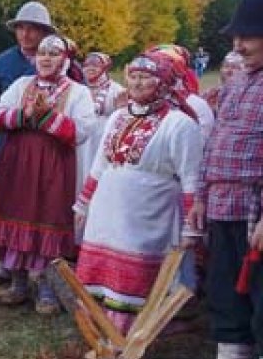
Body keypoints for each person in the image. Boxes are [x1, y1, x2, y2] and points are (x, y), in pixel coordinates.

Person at [173, 0, 263, 359]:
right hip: (224, 204)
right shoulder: (240, 82)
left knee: (262, 298)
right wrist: (203, 197)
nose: (239, 46)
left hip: (256, 210)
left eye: (249, 37)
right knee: (226, 291)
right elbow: (218, 142)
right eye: (238, 37)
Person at [74, 53, 203, 335]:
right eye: (133, 75)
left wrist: (190, 230)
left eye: (146, 77)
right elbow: (100, 163)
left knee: (138, 277)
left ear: (165, 83)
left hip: (149, 215)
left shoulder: (180, 124)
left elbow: (192, 179)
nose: (137, 82)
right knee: (103, 270)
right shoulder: (119, 116)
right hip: (107, 213)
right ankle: (101, 330)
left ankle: (133, 336)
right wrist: (83, 204)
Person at [0, 34, 96, 314]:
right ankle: (19, 284)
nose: (45, 58)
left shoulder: (78, 92)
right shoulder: (22, 84)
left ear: (65, 59)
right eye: (41, 53)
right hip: (18, 163)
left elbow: (83, 130)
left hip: (54, 166)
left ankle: (47, 290)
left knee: (48, 217)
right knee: (17, 213)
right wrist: (24, 115)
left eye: (53, 53)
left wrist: (47, 117)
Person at [0, 1, 57, 286]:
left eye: (33, 29)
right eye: (21, 28)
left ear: (44, 32)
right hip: (9, 144)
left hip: (48, 148)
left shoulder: (63, 62)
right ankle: (6, 264)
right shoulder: (2, 63)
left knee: (42, 207)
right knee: (6, 203)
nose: (25, 34)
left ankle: (43, 273)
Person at [76, 52, 126, 196]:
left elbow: (123, 117)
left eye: (95, 65)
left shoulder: (117, 90)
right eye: (86, 65)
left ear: (105, 67)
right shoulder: (78, 89)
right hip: (81, 143)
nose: (90, 68)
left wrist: (121, 109)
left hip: (101, 140)